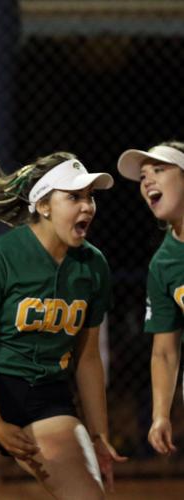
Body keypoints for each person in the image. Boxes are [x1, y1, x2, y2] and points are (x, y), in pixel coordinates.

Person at [0, 118, 125, 500]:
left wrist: (98, 435)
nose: (87, 206)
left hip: (46, 400)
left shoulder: (92, 265)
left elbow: (86, 359)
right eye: (75, 197)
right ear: (44, 205)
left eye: (90, 197)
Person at [116, 142, 184, 456]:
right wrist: (160, 414)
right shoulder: (164, 263)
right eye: (143, 176)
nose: (147, 181)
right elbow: (165, 352)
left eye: (159, 169)